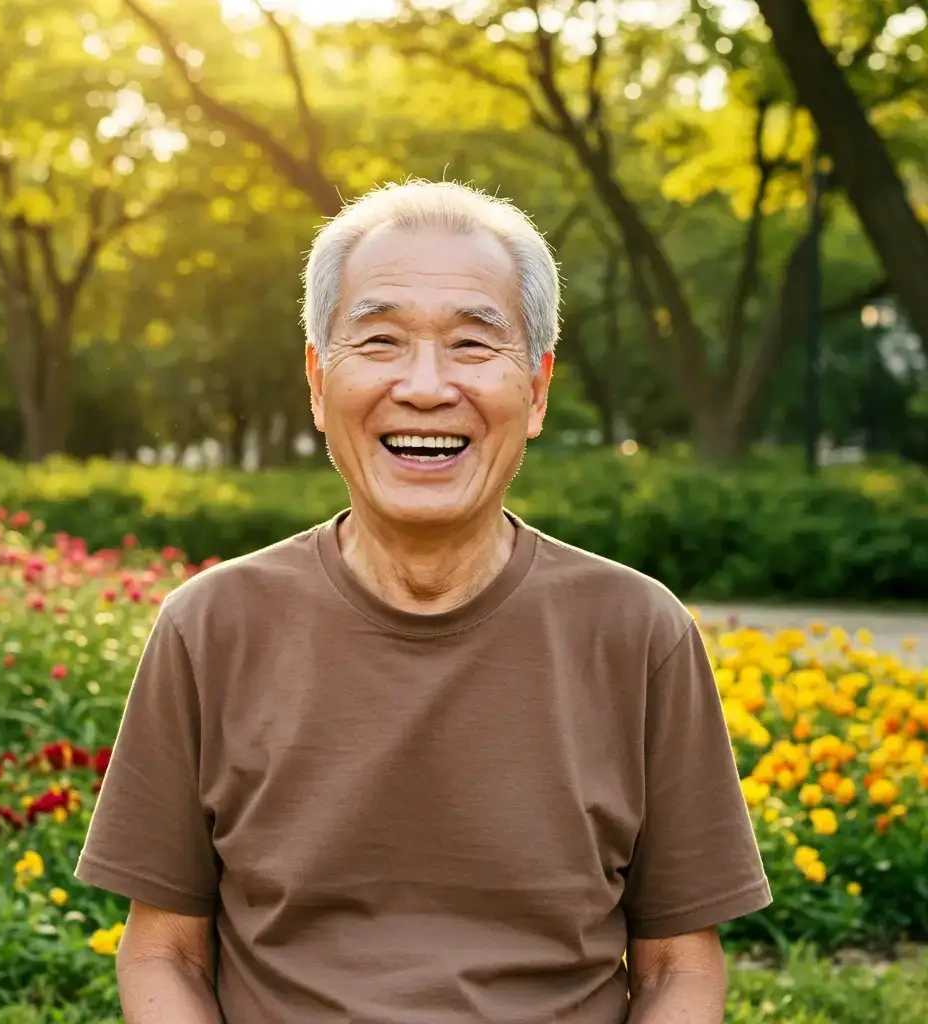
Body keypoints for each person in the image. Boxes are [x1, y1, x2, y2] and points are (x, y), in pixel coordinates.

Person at [75, 179, 772, 1023]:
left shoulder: (638, 633)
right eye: (381, 340)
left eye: (473, 345)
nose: (427, 386)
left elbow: (677, 970)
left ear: (538, 389)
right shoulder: (210, 627)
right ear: (317, 382)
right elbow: (165, 953)